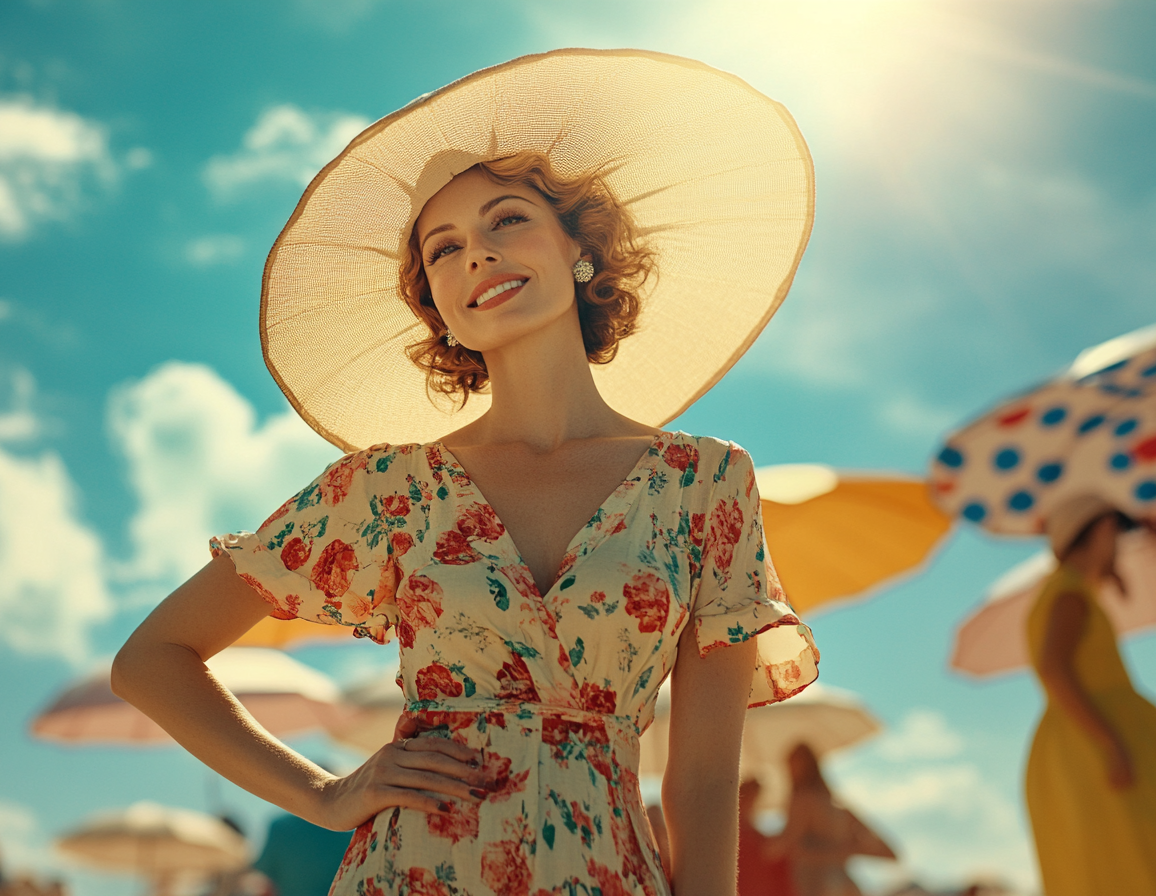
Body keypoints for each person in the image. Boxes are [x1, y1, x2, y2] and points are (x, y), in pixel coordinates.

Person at [113, 48, 819, 896]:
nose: (475, 254)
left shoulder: (706, 483)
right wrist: (325, 794)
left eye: (507, 220)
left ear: (579, 250)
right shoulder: (385, 490)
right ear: (438, 309)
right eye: (442, 249)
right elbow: (152, 658)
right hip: (411, 871)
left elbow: (702, 786)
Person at [1025, 494, 1156, 894]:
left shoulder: (1068, 589)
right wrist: (1109, 742)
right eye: (1116, 533)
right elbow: (1054, 667)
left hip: (1081, 743)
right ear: (1101, 531)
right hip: (1097, 745)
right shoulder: (1069, 592)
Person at [766, 743, 893, 896]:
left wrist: (767, 843)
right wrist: (844, 851)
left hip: (817, 885)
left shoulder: (802, 799)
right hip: (846, 884)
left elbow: (784, 847)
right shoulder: (841, 808)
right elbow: (888, 852)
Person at [737, 778, 794, 896]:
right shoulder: (737, 822)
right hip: (748, 877)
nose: (752, 801)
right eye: (750, 797)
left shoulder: (748, 823)